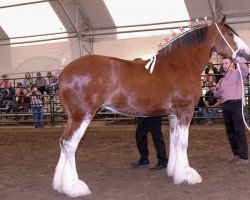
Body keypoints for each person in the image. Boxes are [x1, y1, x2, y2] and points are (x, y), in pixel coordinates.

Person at [214, 57, 249, 165]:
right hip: (225, 105)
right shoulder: (222, 79)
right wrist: (216, 89)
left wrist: (238, 59)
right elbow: (216, 95)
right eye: (223, 63)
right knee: (230, 132)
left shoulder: (238, 73)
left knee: (239, 131)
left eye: (226, 63)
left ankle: (244, 157)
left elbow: (246, 71)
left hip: (236, 104)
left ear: (232, 63)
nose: (224, 65)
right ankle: (236, 154)